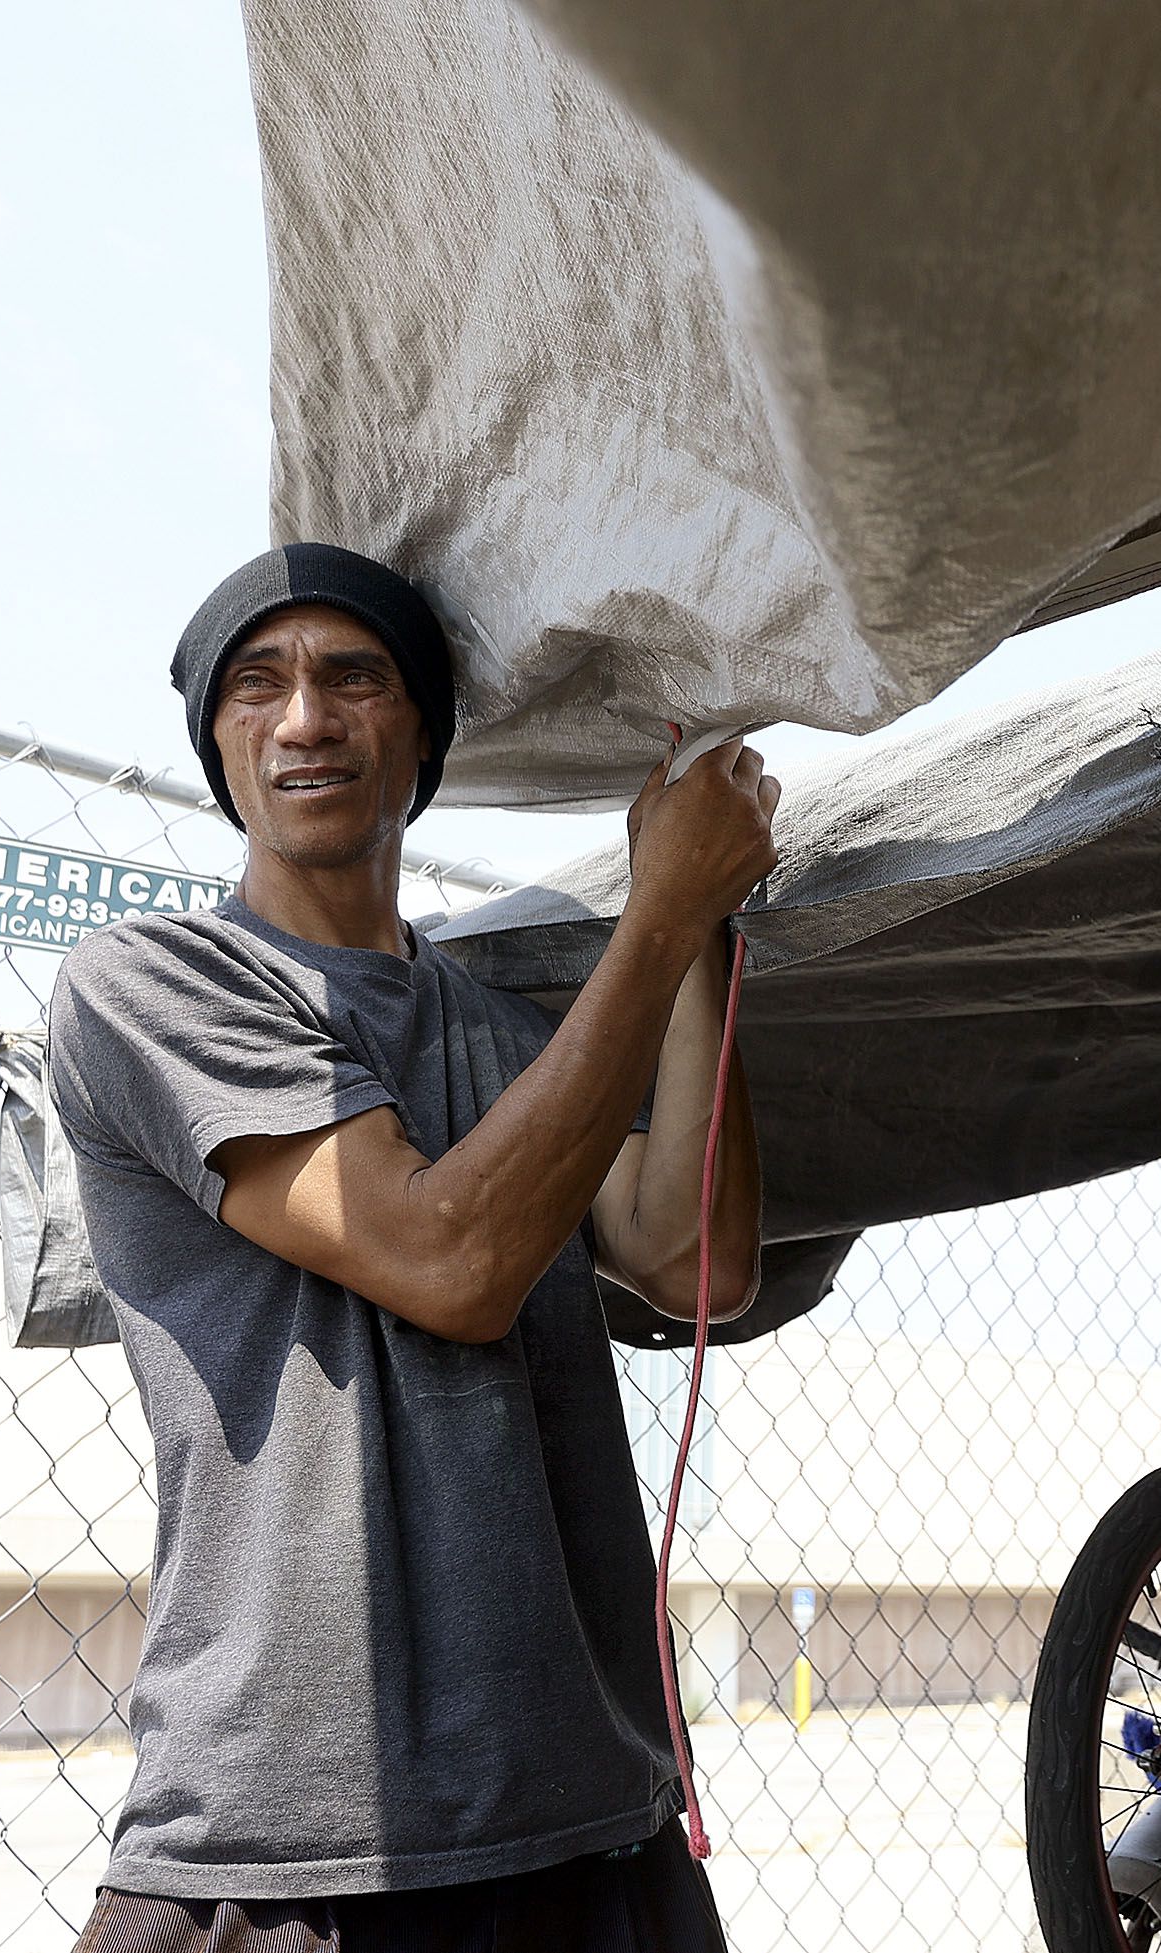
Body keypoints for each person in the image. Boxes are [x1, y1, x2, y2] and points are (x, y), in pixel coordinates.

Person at [47, 543, 778, 1951]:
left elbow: (694, 1259)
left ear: (422, 734)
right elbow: (452, 1260)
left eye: (353, 677)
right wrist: (660, 911)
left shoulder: (513, 1042)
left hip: (591, 1820)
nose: (305, 717)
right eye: (256, 685)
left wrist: (700, 928)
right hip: (294, 1852)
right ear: (220, 744)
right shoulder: (152, 986)